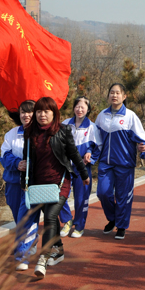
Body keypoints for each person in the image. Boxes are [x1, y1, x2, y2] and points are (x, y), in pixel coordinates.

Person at [14, 97, 90, 279]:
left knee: (49, 216)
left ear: (54, 113)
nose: (42, 115)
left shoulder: (63, 131)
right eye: (39, 111)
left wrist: (84, 175)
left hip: (60, 183)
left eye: (47, 111)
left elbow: (74, 154)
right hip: (39, 184)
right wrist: (24, 182)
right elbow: (27, 160)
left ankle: (43, 257)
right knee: (52, 219)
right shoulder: (30, 133)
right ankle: (59, 251)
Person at [95, 83, 145, 240]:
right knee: (103, 192)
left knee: (123, 196)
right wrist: (91, 155)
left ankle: (121, 226)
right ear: (108, 96)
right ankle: (113, 218)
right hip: (106, 163)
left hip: (124, 164)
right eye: (112, 93)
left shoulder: (130, 117)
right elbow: (96, 140)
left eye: (117, 93)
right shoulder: (102, 116)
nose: (114, 95)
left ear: (124, 96)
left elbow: (142, 140)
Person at [59, 96, 100, 238]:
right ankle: (66, 220)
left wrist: (90, 155)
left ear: (88, 109)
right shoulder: (64, 124)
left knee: (81, 198)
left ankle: (80, 226)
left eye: (83, 107)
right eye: (77, 106)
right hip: (65, 167)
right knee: (59, 195)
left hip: (82, 167)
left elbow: (98, 147)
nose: (80, 109)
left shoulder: (92, 127)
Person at [0, 100, 37, 243]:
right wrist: (17, 163)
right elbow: (4, 155)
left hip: (32, 184)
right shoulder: (11, 134)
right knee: (17, 215)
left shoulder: (41, 134)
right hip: (14, 182)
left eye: (29, 112)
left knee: (26, 216)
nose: (26, 115)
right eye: (23, 112)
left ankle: (24, 249)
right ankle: (30, 240)